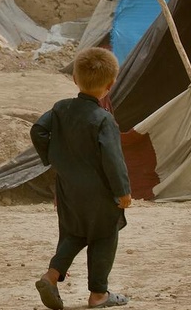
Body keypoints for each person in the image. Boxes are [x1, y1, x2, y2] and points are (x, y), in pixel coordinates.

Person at [30, 48, 132, 309]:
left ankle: (51, 276)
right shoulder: (103, 120)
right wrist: (123, 192)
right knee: (104, 236)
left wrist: (55, 159)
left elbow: (38, 130)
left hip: (67, 189)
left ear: (74, 79)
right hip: (99, 195)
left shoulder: (61, 108)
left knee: (74, 234)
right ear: (110, 85)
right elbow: (113, 160)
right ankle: (99, 294)